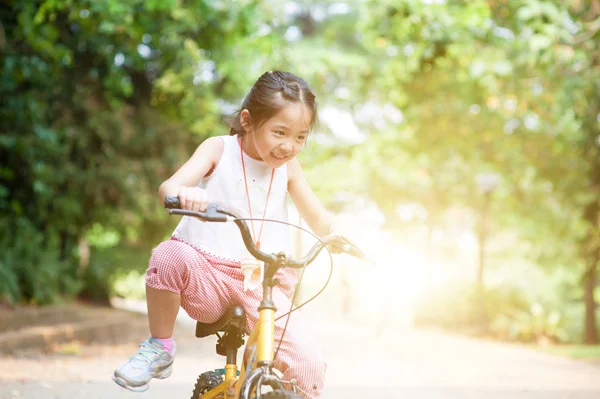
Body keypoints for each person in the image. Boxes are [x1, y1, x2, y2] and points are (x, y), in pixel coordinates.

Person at [113, 71, 343, 398]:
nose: (289, 146)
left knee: (309, 364)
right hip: (210, 274)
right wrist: (185, 194)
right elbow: (170, 187)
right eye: (280, 132)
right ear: (248, 121)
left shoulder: (290, 169)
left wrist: (336, 231)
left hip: (265, 283)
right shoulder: (219, 149)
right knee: (167, 256)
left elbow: (317, 216)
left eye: (300, 137)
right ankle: (159, 347)